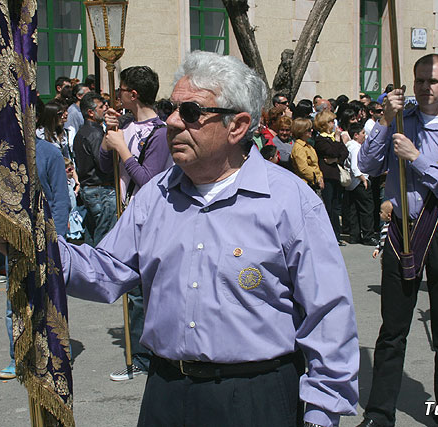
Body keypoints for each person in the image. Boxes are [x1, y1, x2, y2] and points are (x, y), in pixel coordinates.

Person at [55, 51, 358, 426]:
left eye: (191, 113)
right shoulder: (155, 197)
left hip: (254, 398)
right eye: (171, 108)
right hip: (166, 393)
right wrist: (38, 249)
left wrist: (323, 411)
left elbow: (327, 313)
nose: (172, 121)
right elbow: (106, 270)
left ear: (237, 126)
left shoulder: (289, 202)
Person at [356, 54, 438, 427]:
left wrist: (417, 158)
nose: (426, 88)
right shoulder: (399, 121)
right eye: (420, 81)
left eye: (434, 81)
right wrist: (383, 121)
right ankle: (380, 414)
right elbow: (367, 165)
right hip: (402, 232)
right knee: (392, 331)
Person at [100, 65, 173, 381]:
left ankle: (145, 357)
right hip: (126, 216)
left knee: (144, 291)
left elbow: (149, 181)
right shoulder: (126, 125)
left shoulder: (159, 132)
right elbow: (105, 166)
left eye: (121, 89)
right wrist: (109, 142)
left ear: (133, 94)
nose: (117, 95)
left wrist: (123, 150)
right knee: (134, 290)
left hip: (148, 218)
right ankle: (145, 352)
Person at [73, 92, 115, 246]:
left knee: (92, 234)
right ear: (90, 112)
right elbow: (103, 164)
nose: (105, 109)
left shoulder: (83, 132)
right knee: (104, 237)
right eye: (101, 107)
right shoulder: (95, 134)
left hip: (90, 190)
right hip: (101, 190)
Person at [313, 110, 349, 245]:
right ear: (323, 124)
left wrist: (335, 159)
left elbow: (344, 153)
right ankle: (329, 235)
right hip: (327, 176)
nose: (333, 124)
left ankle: (337, 234)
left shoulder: (333, 138)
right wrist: (338, 143)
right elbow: (332, 151)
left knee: (335, 207)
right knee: (328, 206)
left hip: (335, 175)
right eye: (330, 121)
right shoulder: (321, 139)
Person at [343, 123, 376, 246]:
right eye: (363, 133)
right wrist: (363, 179)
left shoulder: (350, 146)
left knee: (354, 210)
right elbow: (355, 167)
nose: (365, 135)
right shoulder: (356, 148)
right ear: (356, 135)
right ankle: (368, 236)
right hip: (359, 183)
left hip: (352, 184)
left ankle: (354, 235)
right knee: (366, 209)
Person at [290, 117, 324, 192]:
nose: (311, 130)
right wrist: (317, 178)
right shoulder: (299, 148)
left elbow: (315, 165)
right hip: (307, 184)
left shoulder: (308, 146)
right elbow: (303, 169)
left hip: (313, 183)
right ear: (301, 131)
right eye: (308, 130)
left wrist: (320, 176)